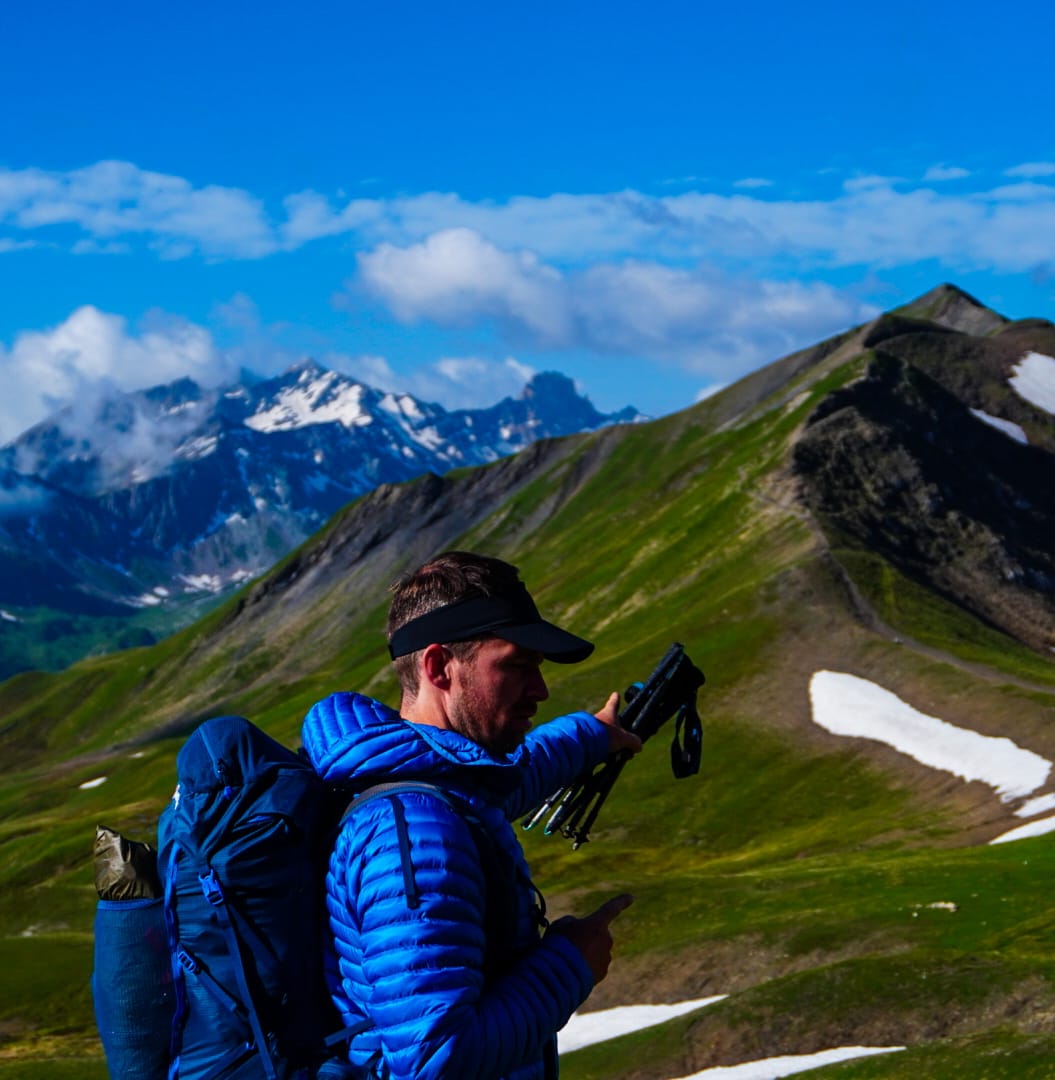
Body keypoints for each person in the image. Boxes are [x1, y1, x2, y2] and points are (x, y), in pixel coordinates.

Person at [301, 550, 642, 1080]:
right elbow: (435, 1057)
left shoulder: (433, 780)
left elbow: (503, 780)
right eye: (516, 665)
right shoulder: (414, 830)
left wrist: (593, 734)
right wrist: (572, 963)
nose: (541, 690)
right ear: (439, 666)